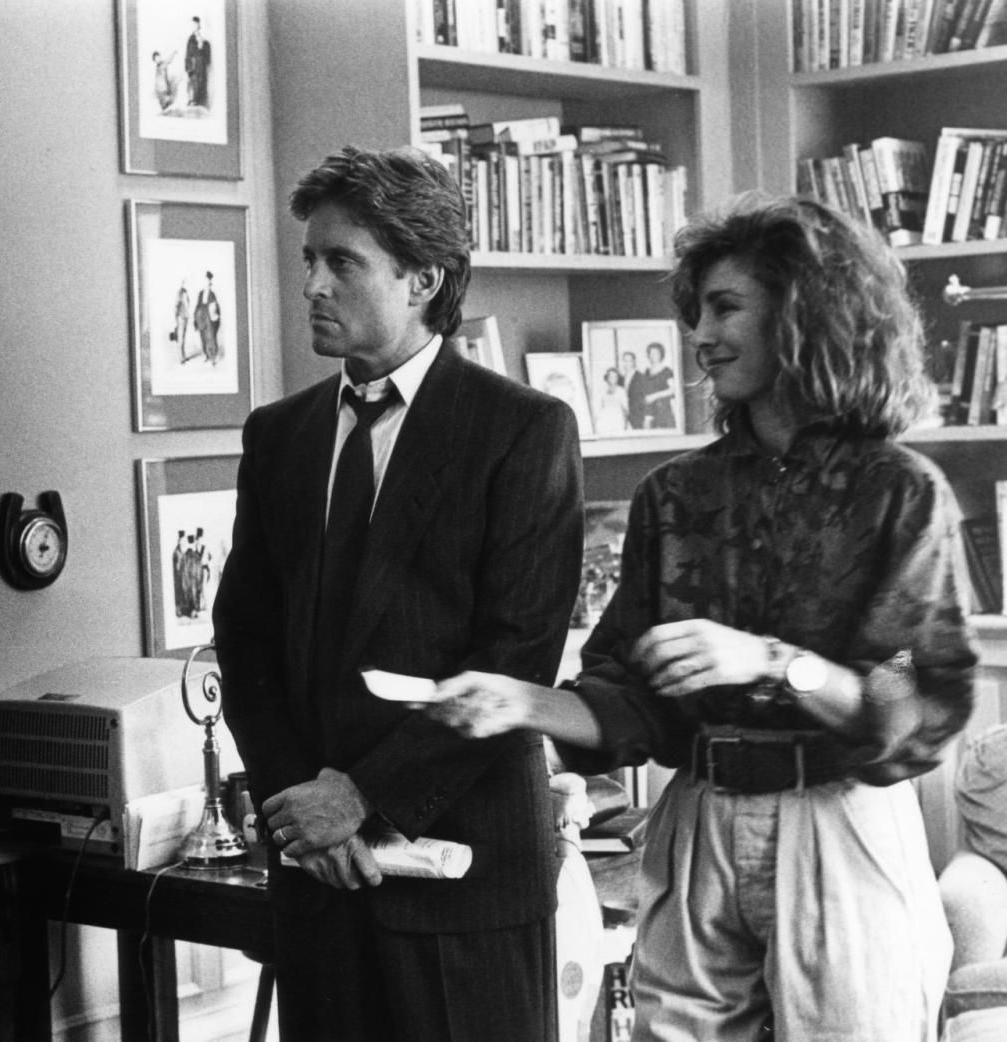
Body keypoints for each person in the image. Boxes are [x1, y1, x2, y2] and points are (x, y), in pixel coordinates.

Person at [429, 193, 977, 1041]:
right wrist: (522, 704)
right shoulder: (675, 495)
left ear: (803, 316)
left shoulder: (899, 492)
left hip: (839, 823)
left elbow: (911, 704)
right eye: (697, 311)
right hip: (697, 821)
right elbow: (632, 700)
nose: (700, 335)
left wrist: (770, 662)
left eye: (726, 308)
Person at [212, 145, 583, 1042]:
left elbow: (517, 660)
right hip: (319, 882)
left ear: (424, 279)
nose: (312, 284)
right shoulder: (278, 437)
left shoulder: (522, 429)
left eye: (343, 262)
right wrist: (302, 809)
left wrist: (362, 796)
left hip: (465, 882)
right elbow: (245, 639)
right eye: (310, 259)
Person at [641, 341, 677, 429]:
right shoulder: (646, 372)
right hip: (649, 411)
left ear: (661, 354)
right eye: (651, 353)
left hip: (662, 409)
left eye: (656, 353)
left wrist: (655, 396)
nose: (653, 356)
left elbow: (673, 390)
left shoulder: (667, 371)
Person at [194, 270, 221, 365]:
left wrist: (217, 317)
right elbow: (197, 306)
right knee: (203, 337)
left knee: (210, 337)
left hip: (209, 318)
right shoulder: (200, 293)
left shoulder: (212, 294)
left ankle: (213, 357)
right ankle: (207, 355)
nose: (207, 284)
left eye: (208, 282)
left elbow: (216, 308)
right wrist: (195, 319)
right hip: (201, 317)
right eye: (205, 281)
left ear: (210, 283)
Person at [184, 16, 210, 108]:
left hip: (200, 66)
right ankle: (192, 101)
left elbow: (204, 53)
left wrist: (202, 46)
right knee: (193, 83)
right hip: (193, 66)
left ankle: (197, 102)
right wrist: (188, 67)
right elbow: (188, 54)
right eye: (193, 24)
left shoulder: (202, 39)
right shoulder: (190, 39)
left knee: (200, 84)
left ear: (199, 25)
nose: (194, 26)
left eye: (196, 24)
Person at [595, 366, 630, 434]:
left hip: (618, 420)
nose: (612, 379)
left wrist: (626, 423)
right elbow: (598, 407)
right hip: (605, 420)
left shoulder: (621, 391)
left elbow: (626, 409)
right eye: (610, 376)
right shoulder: (602, 391)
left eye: (614, 377)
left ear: (617, 378)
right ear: (607, 378)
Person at [622, 349, 646, 429]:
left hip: (637, 414)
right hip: (624, 414)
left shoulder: (640, 377)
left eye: (629, 361)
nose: (627, 363)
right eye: (625, 361)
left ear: (634, 362)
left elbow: (643, 398)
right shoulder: (621, 378)